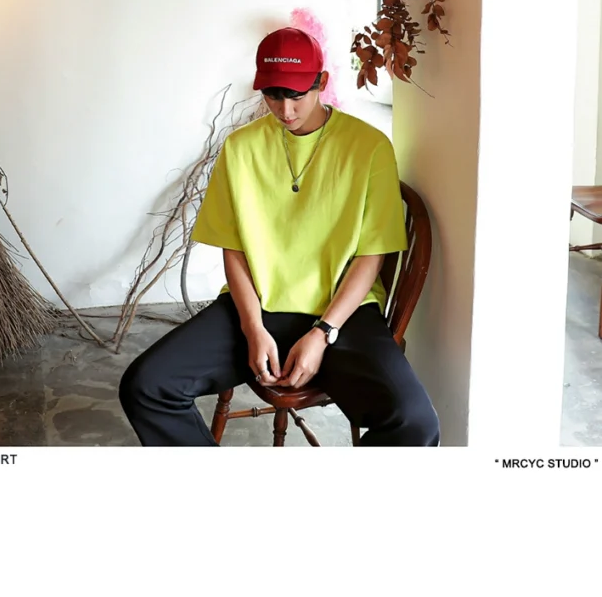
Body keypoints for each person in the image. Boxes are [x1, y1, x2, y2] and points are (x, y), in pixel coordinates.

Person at [118, 24, 440, 449]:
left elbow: (371, 256)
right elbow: (234, 250)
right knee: (145, 385)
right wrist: (252, 328)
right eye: (273, 95)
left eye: (296, 95)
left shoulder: (369, 147)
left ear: (321, 81)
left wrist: (323, 333)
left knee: (415, 422)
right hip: (257, 305)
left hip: (342, 313)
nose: (285, 110)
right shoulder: (240, 148)